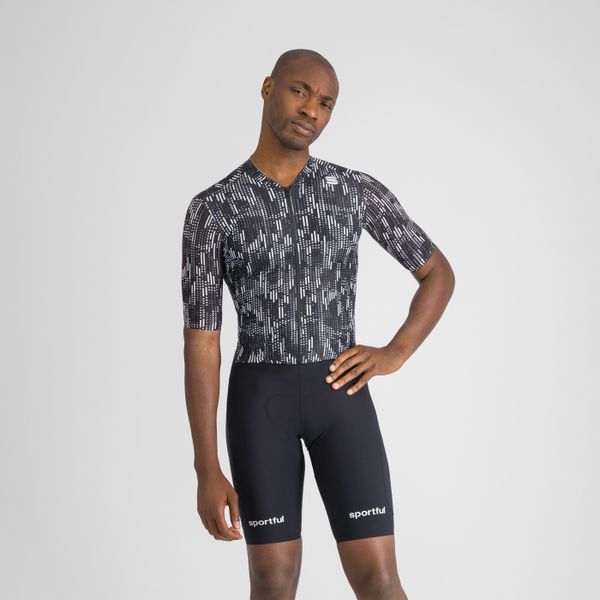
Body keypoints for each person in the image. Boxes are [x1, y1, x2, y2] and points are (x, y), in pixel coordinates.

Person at [181, 48, 455, 600]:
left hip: (342, 398)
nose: (311, 109)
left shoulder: (353, 190)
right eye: (299, 91)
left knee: (379, 580)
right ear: (268, 88)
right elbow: (202, 342)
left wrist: (395, 352)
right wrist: (206, 466)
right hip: (260, 406)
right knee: (273, 582)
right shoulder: (213, 210)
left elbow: (437, 274)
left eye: (326, 102)